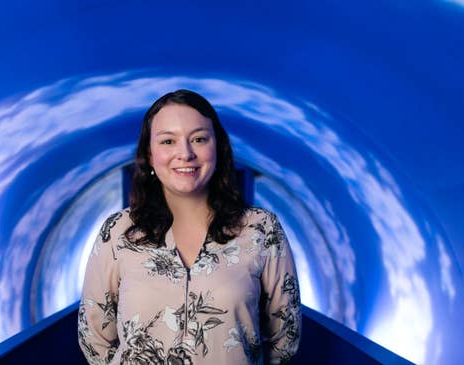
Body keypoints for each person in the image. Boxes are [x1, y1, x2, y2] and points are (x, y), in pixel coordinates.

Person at [78, 89, 301, 364]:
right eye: (168, 141)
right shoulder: (117, 231)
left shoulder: (262, 230)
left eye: (198, 139)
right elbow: (94, 338)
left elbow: (284, 337)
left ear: (217, 147)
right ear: (149, 154)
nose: (185, 153)